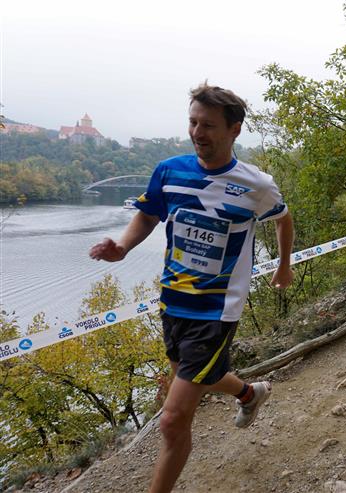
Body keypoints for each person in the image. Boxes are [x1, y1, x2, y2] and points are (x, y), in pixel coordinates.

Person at [89, 83, 294, 493]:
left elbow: (283, 218)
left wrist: (284, 265)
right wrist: (123, 246)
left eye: (209, 125)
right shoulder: (169, 171)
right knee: (197, 374)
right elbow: (149, 214)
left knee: (172, 419)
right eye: (193, 122)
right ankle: (249, 393)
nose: (198, 133)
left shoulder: (255, 184)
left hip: (217, 309)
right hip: (173, 302)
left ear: (234, 130)